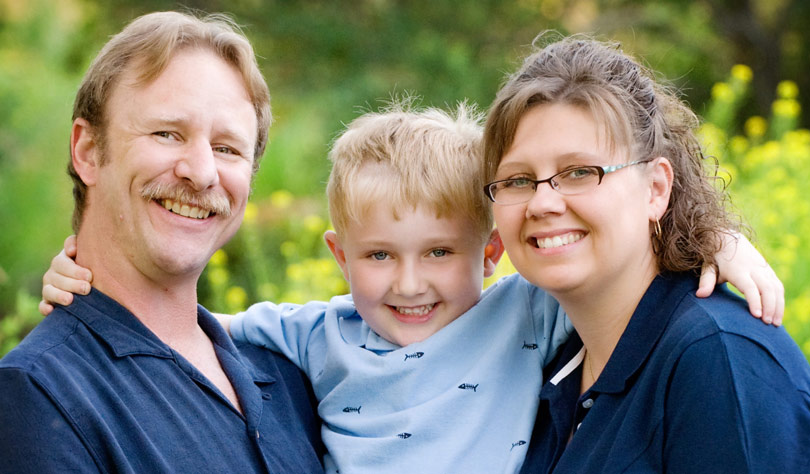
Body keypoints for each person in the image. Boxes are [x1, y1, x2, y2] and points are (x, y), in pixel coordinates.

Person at [41, 99, 785, 473]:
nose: (408, 284)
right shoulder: (311, 333)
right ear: (338, 254)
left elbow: (617, 275)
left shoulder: (523, 312)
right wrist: (84, 282)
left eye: (438, 252)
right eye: (377, 257)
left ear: (492, 251)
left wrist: (714, 238)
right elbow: (177, 326)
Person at [0, 11, 324, 473]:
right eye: (167, 134)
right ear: (88, 152)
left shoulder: (291, 371)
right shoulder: (39, 394)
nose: (201, 171)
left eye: (227, 148)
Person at [480, 35, 810, 472]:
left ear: (656, 189)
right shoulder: (542, 357)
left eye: (580, 172)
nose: (542, 203)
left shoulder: (719, 360)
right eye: (518, 180)